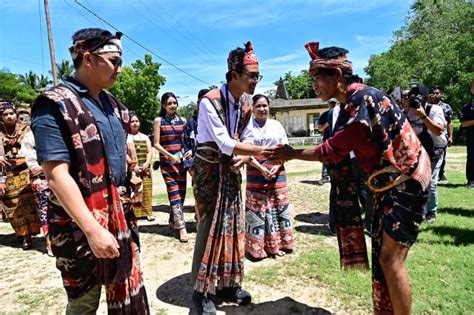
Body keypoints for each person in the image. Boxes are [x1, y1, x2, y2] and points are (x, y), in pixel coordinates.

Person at [264, 42, 431, 314]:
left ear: (338, 77)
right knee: (384, 258)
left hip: (405, 182)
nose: (315, 85)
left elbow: (330, 151)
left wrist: (290, 153)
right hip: (389, 186)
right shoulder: (349, 104)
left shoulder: (361, 101)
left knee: (391, 260)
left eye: (318, 78)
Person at [31, 28, 149, 313]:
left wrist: (131, 176)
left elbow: (117, 159)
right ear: (87, 58)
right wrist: (93, 230)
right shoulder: (54, 105)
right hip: (78, 227)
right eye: (114, 61)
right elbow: (57, 175)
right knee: (85, 300)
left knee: (126, 288)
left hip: (119, 219)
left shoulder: (114, 107)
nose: (120, 69)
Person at [190, 41, 266, 314]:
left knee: (234, 226)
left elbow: (246, 137)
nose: (256, 81)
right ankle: (201, 292)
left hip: (232, 172)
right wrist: (264, 152)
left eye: (258, 76)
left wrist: (247, 157)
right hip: (209, 172)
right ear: (234, 75)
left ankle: (229, 283)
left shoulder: (246, 103)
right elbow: (223, 142)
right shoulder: (209, 101)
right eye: (252, 76)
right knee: (209, 228)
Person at [244, 94, 295, 259]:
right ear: (252, 108)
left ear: (269, 107)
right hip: (255, 172)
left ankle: (280, 244)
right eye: (258, 106)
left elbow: (285, 148)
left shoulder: (276, 125)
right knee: (258, 209)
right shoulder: (246, 126)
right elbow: (244, 151)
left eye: (264, 105)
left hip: (277, 172)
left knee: (277, 206)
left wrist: (276, 166)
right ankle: (257, 248)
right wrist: (260, 168)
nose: (262, 109)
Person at [0, 101, 40, 250]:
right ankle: (21, 232)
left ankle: (27, 237)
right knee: (12, 206)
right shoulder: (0, 133)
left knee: (26, 204)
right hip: (8, 174)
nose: (9, 117)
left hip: (25, 171)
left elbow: (34, 147)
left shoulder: (27, 130)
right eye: (5, 114)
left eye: (11, 113)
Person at [406, 83, 446, 224]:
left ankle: (431, 212)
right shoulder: (408, 111)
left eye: (417, 97)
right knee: (416, 181)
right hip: (418, 150)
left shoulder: (434, 109)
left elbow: (438, 130)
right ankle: (418, 210)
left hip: (435, 148)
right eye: (411, 96)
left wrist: (423, 116)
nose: (414, 100)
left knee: (431, 182)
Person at [153, 92, 189, 242]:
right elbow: (156, 144)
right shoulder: (158, 121)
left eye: (174, 103)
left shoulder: (183, 120)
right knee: (174, 194)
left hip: (181, 164)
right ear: (163, 105)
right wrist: (169, 155)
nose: (173, 106)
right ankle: (182, 228)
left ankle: (172, 221)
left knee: (181, 195)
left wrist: (186, 153)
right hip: (167, 165)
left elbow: (186, 141)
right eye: (169, 103)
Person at [19, 129, 53, 256]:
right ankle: (49, 243)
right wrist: (39, 169)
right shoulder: (30, 135)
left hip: (63, 174)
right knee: (45, 211)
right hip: (40, 178)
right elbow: (29, 157)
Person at [127, 112, 154, 221]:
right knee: (135, 190)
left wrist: (147, 163)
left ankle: (148, 213)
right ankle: (135, 213)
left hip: (145, 168)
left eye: (136, 121)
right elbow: (125, 153)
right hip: (133, 168)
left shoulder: (145, 137)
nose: (134, 123)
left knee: (147, 190)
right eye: (132, 121)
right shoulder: (126, 138)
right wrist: (133, 166)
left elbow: (149, 151)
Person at [182, 89, 210, 172]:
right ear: (198, 103)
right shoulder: (190, 124)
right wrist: (190, 167)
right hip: (197, 168)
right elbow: (186, 146)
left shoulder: (217, 121)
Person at [431, 86, 453, 182]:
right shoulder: (426, 106)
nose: (435, 95)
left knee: (442, 156)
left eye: (437, 93)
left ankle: (440, 174)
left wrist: (451, 136)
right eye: (433, 93)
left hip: (442, 136)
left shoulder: (446, 107)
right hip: (429, 135)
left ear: (441, 94)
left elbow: (450, 122)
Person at [315, 98, 338, 185]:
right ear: (328, 104)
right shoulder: (325, 115)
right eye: (331, 103)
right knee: (325, 158)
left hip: (338, 140)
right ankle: (325, 176)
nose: (332, 105)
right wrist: (327, 124)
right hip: (327, 140)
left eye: (334, 103)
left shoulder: (340, 114)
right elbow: (320, 128)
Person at [460, 80, 474, 188]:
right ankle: (471, 180)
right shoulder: (467, 107)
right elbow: (464, 124)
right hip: (472, 137)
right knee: (471, 158)